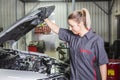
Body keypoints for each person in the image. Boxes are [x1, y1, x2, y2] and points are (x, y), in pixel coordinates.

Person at [41, 8, 109, 80]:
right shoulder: (72, 36)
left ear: (81, 24)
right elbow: (57, 29)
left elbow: (102, 64)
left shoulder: (96, 40)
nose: (70, 28)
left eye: (72, 26)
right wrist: (45, 18)